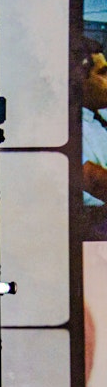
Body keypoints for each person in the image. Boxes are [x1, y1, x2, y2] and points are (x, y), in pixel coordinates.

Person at [80, 36, 107, 238]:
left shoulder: (97, 118)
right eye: (102, 73)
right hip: (93, 226)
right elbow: (93, 179)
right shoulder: (66, 128)